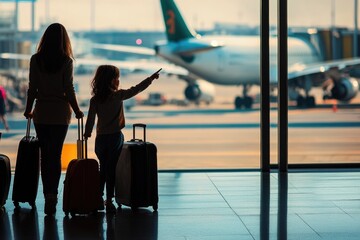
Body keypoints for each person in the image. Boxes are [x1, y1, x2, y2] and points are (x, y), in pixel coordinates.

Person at [23, 23, 84, 215]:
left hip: (41, 113)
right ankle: (52, 196)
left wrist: (28, 110)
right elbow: (69, 89)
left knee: (44, 155)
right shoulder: (67, 61)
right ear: (63, 40)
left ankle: (46, 192)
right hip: (60, 114)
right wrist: (77, 110)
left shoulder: (35, 59)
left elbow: (32, 87)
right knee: (55, 155)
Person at [84, 65, 160, 213]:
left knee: (103, 168)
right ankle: (109, 200)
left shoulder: (95, 100)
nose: (119, 81)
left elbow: (90, 119)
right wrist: (150, 79)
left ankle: (97, 198)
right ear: (112, 81)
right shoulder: (118, 96)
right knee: (111, 169)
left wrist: (87, 133)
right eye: (117, 78)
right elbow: (136, 89)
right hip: (115, 137)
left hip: (100, 139)